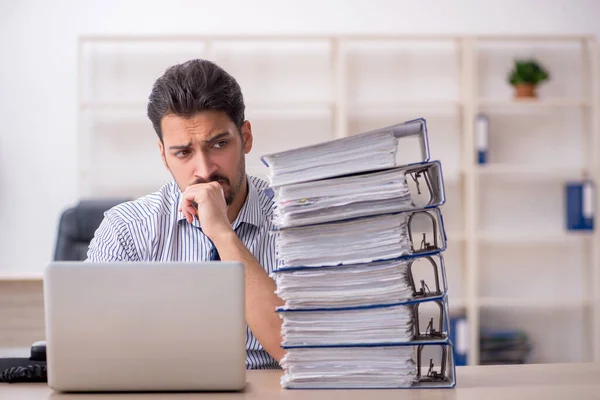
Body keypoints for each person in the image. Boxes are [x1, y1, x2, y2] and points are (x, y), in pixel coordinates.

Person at [86, 59, 285, 369]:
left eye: (219, 144)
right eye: (183, 152)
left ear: (245, 137)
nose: (204, 171)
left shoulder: (298, 223)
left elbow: (301, 352)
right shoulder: (124, 229)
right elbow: (91, 352)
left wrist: (222, 234)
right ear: (164, 155)